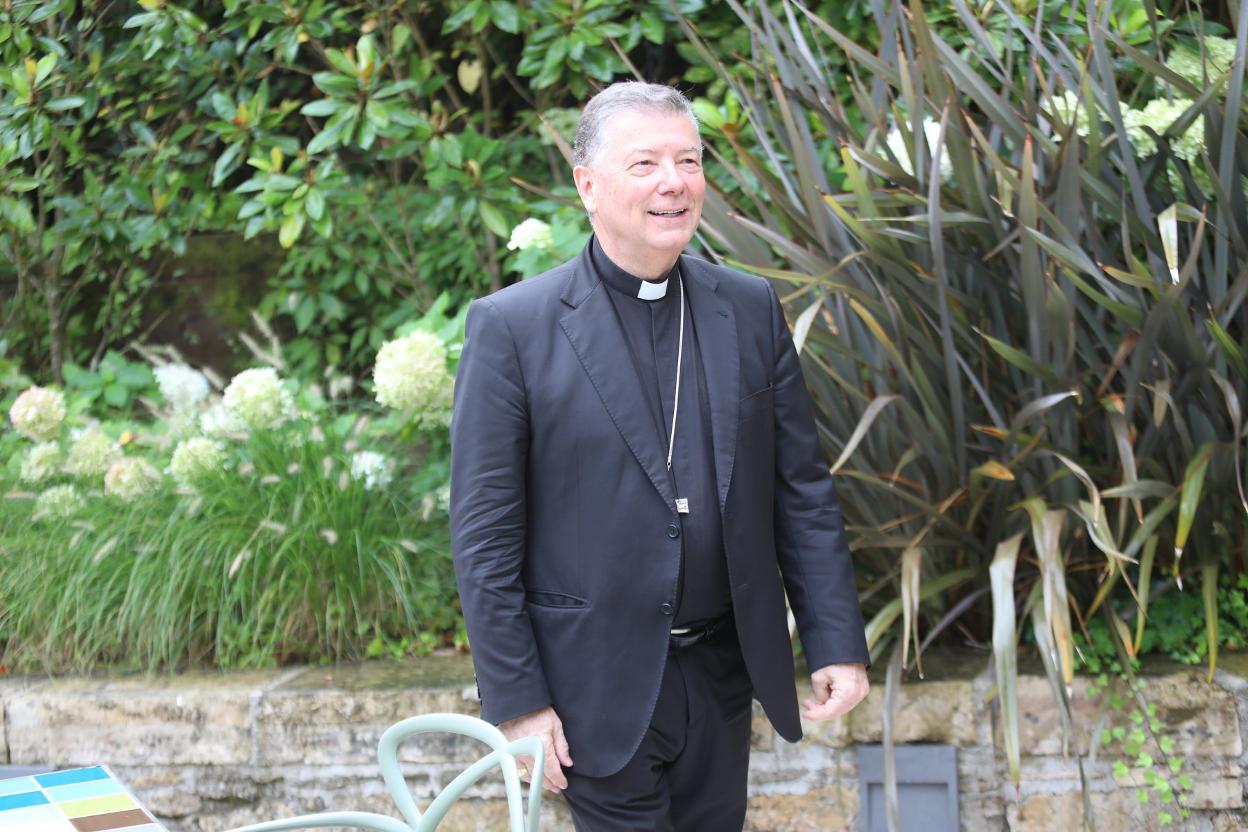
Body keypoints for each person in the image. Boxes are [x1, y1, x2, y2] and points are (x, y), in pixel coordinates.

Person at [450, 81, 870, 831]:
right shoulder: (513, 328)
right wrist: (518, 704)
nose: (674, 182)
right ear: (588, 184)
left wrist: (836, 639)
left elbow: (799, 488)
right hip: (593, 687)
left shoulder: (746, 307)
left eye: (689, 160)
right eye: (645, 163)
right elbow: (484, 539)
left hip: (720, 673)